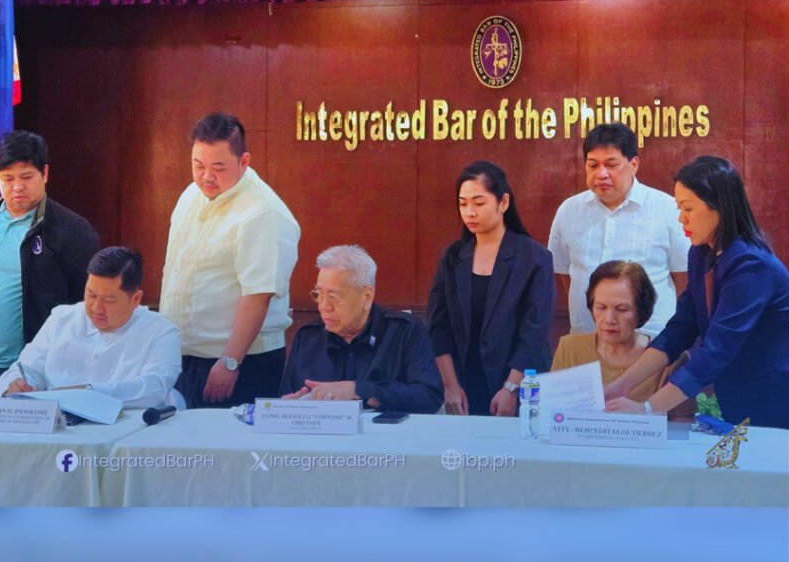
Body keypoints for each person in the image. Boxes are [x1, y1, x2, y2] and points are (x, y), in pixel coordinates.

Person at [605, 156, 789, 429]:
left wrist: (647, 409)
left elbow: (716, 349)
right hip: (739, 397)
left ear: (719, 206)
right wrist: (624, 384)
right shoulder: (701, 254)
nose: (681, 218)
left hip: (774, 399)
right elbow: (681, 327)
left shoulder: (751, 265)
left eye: (688, 208)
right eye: (679, 208)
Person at [159, 113, 300, 409]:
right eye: (198, 165)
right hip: (184, 356)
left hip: (240, 362)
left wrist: (230, 362)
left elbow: (257, 296)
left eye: (218, 167)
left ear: (244, 161)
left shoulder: (262, 212)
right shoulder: (191, 195)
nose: (206, 177)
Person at [0, 130, 100, 396]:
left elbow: (87, 304)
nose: (17, 187)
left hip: (35, 371)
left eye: (26, 177)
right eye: (8, 178)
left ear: (45, 173)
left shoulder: (73, 230)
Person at [427, 161, 554, 416]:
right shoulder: (452, 257)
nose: (470, 212)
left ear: (503, 202)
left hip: (518, 387)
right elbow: (438, 327)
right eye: (463, 204)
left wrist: (511, 388)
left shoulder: (533, 258)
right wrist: (450, 386)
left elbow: (534, 333)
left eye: (479, 203)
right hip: (463, 387)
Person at [549, 123, 689, 337]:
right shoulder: (569, 210)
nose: (601, 174)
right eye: (593, 165)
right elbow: (564, 273)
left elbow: (683, 277)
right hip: (586, 339)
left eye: (611, 165)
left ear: (634, 164)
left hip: (651, 341)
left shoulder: (667, 209)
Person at [0, 247, 181, 408]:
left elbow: (154, 389)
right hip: (58, 428)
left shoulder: (161, 332)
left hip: (128, 430)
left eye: (109, 300)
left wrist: (88, 393)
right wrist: (16, 384)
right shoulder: (61, 319)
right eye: (91, 295)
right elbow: (25, 368)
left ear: (135, 299)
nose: (96, 308)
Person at [281, 245, 443, 413]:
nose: (324, 306)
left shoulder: (404, 332)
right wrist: (286, 407)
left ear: (366, 297)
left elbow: (429, 397)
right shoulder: (308, 337)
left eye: (333, 296)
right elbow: (288, 396)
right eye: (319, 294)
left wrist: (359, 390)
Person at [552, 260, 662, 401]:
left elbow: (678, 415)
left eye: (621, 309)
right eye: (601, 307)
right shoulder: (569, 348)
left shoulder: (662, 358)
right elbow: (552, 409)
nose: (609, 319)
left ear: (641, 310)